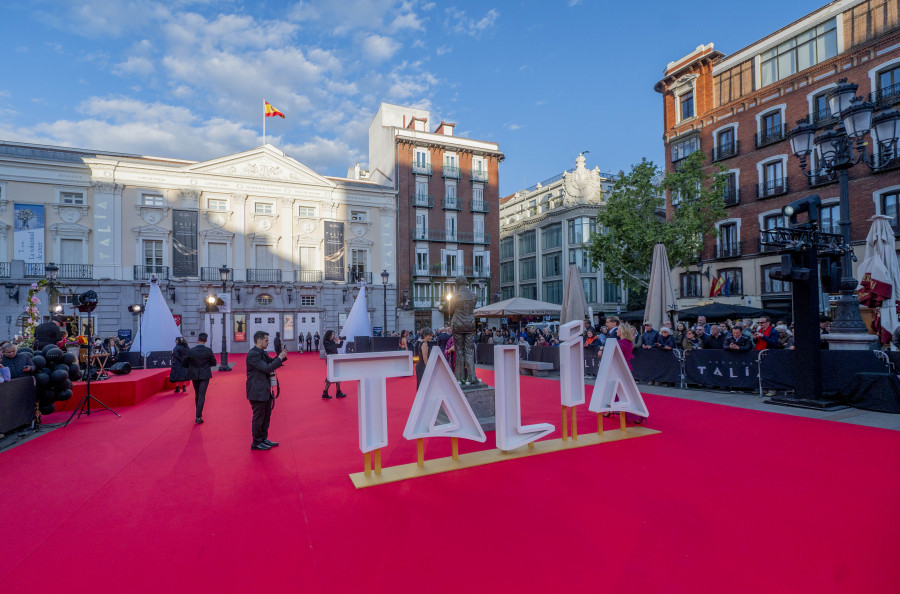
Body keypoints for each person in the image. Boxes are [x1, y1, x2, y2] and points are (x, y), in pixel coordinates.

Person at [246, 330, 287, 450]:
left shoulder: (261, 353)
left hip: (264, 390)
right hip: (257, 391)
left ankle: (263, 439)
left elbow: (271, 362)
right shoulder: (253, 354)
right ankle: (256, 442)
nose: (268, 343)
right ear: (259, 340)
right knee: (259, 418)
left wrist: (281, 357)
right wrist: (279, 357)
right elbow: (267, 368)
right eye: (266, 340)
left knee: (266, 417)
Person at [186, 333, 217, 424]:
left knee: (197, 394)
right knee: (202, 394)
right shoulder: (208, 350)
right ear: (206, 341)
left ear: (197, 339)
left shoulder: (191, 350)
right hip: (205, 374)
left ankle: (198, 414)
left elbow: (186, 361)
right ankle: (198, 416)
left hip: (194, 374)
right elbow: (213, 362)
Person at [321, 330, 346, 399]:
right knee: (331, 376)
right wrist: (335, 342)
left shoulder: (331, 342)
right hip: (330, 360)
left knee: (337, 375)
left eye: (333, 334)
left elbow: (339, 346)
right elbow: (332, 349)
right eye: (332, 334)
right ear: (328, 335)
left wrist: (341, 340)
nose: (333, 336)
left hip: (335, 359)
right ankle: (330, 393)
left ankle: (335, 392)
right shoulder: (326, 342)